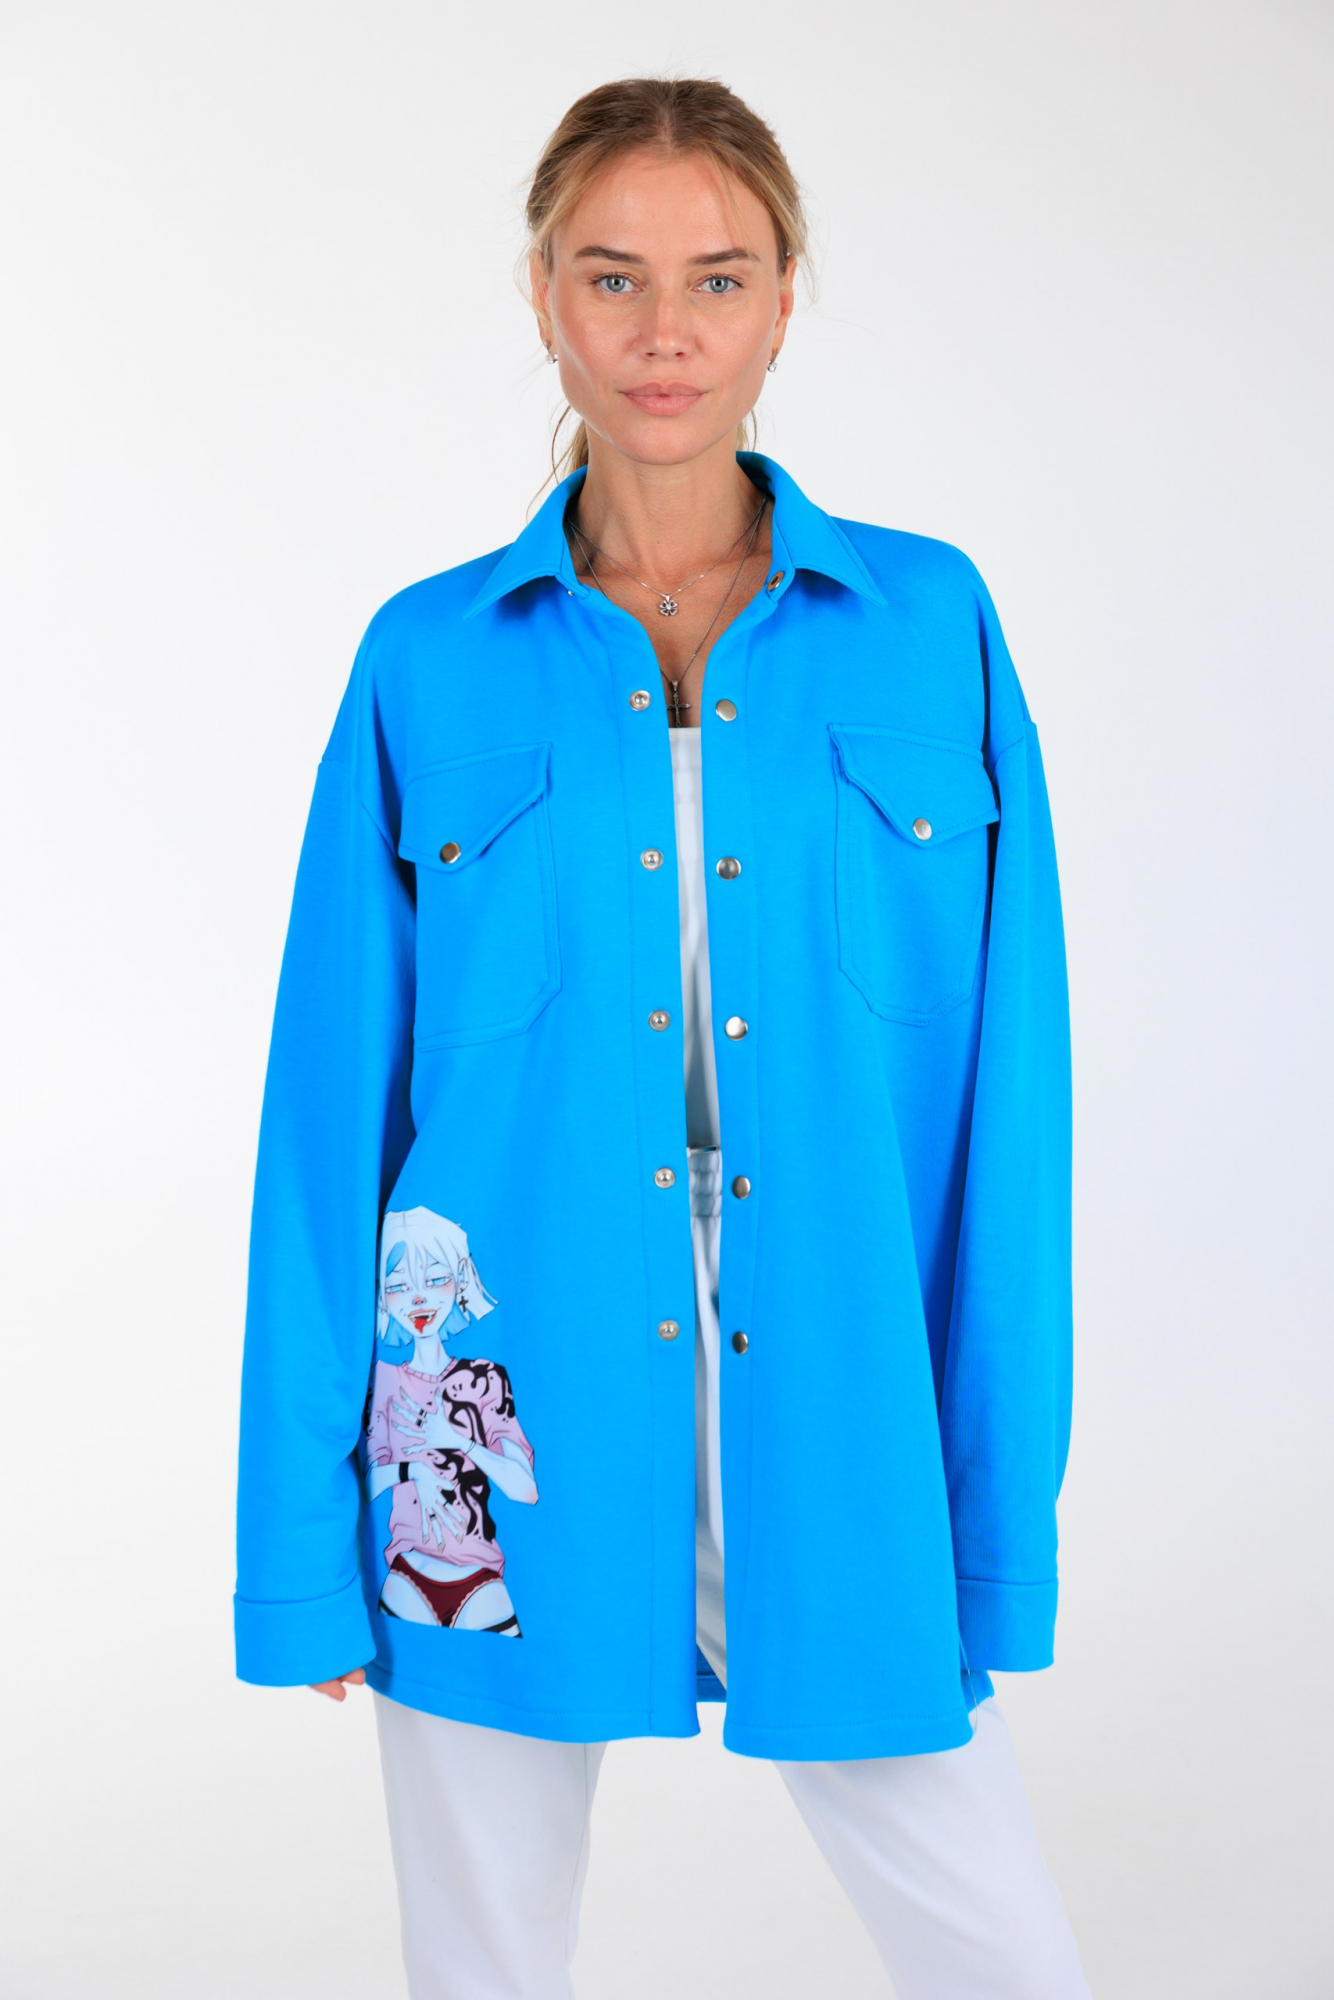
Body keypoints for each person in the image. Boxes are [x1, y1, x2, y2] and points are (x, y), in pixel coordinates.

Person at [234, 74, 1091, 2000]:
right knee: (481, 1957)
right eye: (611, 275)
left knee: (997, 1943)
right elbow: (326, 1119)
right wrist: (296, 1537)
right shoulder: (425, 654)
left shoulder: (926, 623)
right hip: (483, 1400)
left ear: (785, 300)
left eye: (717, 277)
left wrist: (991, 1511)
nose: (663, 330)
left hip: (840, 1368)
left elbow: (1009, 1108)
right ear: (543, 296)